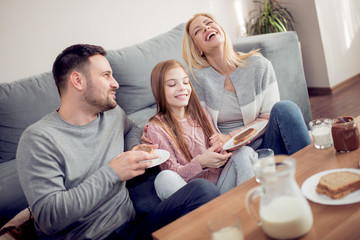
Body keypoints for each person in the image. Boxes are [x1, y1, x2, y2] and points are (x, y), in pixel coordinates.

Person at [16, 44, 220, 240]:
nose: (116, 83)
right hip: (88, 237)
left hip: (132, 229)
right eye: (106, 75)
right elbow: (49, 218)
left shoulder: (112, 114)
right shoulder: (38, 139)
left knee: (203, 190)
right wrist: (112, 172)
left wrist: (133, 147)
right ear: (78, 81)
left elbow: (131, 128)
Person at [182, 13, 311, 155]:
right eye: (198, 30)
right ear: (197, 49)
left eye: (209, 23)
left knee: (286, 108)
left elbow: (267, 117)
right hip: (232, 158)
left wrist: (232, 136)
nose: (206, 28)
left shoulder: (259, 65)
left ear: (220, 29)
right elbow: (179, 119)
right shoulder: (194, 80)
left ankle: (311, 166)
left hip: (267, 144)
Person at [146, 59, 254, 200]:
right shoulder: (156, 128)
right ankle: (210, 215)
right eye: (172, 84)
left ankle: (250, 205)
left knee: (245, 152)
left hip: (223, 183)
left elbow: (219, 147)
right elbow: (172, 171)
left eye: (185, 82)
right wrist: (201, 163)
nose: (182, 88)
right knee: (164, 178)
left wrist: (230, 146)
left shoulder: (201, 113)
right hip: (196, 196)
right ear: (159, 89)